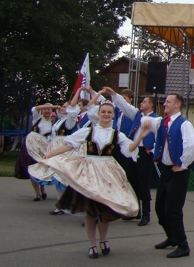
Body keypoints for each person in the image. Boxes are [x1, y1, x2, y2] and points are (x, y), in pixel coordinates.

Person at [40, 101, 150, 259]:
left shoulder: (116, 134)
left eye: (109, 112)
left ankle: (103, 240)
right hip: (89, 173)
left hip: (107, 173)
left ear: (113, 115)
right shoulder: (88, 131)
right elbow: (69, 145)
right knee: (91, 211)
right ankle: (92, 244)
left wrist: (140, 136)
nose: (106, 114)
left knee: (104, 210)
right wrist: (51, 154)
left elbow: (129, 149)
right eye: (103, 112)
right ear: (98, 114)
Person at [145, 93, 194, 259]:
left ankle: (183, 245)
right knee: (160, 207)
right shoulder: (163, 122)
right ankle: (172, 236)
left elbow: (193, 146)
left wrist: (183, 164)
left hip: (178, 172)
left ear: (177, 105)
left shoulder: (184, 124)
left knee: (172, 210)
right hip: (167, 170)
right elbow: (143, 120)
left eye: (168, 101)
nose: (165, 104)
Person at [105, 86, 159, 226]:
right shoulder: (136, 114)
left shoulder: (156, 119)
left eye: (144, 102)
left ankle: (146, 213)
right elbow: (124, 105)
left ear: (151, 105)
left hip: (144, 153)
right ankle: (136, 210)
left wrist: (152, 149)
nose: (141, 103)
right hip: (133, 151)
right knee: (132, 181)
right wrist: (113, 94)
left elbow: (161, 137)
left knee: (144, 183)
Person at [15, 104, 56, 201]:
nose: (46, 111)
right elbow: (34, 108)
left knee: (42, 168)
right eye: (45, 109)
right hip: (32, 147)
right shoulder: (38, 118)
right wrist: (52, 105)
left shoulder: (53, 122)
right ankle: (37, 193)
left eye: (49, 110)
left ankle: (42, 189)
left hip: (44, 148)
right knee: (32, 167)